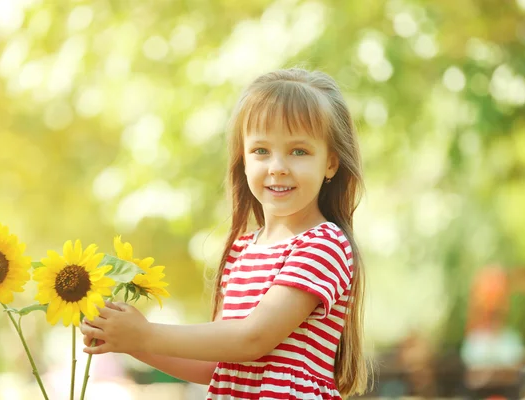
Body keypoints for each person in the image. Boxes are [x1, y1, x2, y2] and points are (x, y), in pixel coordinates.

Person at [81, 67, 370, 399]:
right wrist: (130, 343)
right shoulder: (242, 251)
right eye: (261, 151)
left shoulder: (323, 245)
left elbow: (252, 338)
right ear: (244, 160)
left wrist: (146, 335)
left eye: (299, 151)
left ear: (331, 163)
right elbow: (214, 365)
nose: (277, 166)